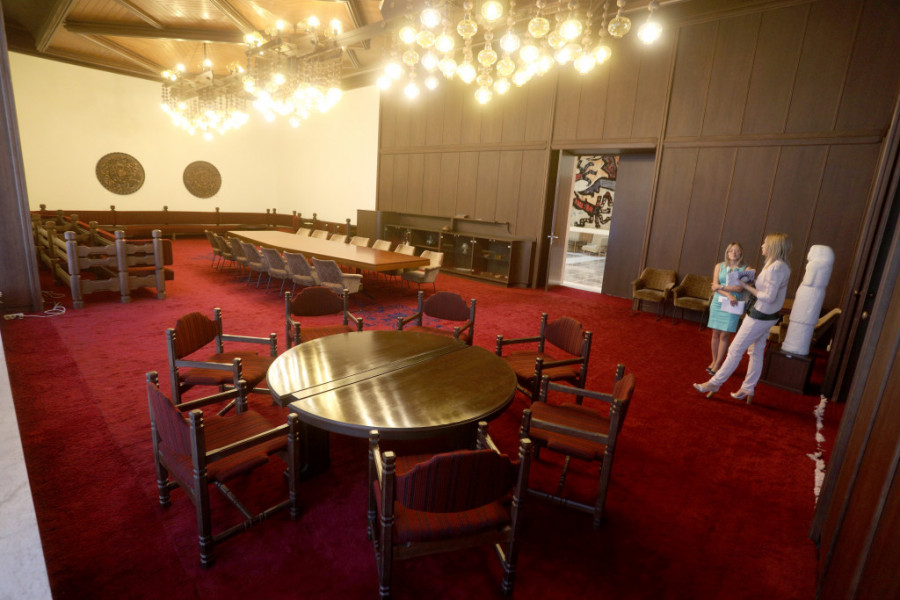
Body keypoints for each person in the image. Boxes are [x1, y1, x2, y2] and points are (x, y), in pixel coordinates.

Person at [693, 233, 792, 403]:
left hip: (760, 315)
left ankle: (714, 383)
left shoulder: (775, 267)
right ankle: (748, 388)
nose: (762, 246)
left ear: (773, 247)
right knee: (756, 352)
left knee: (735, 350)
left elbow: (768, 297)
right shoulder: (780, 265)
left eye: (765, 243)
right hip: (768, 315)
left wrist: (745, 286)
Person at [705, 242, 748, 375]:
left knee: (725, 334)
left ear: (741, 253)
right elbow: (714, 286)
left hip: (733, 304)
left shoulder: (745, 269)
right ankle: (714, 360)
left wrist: (721, 287)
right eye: (731, 250)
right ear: (727, 253)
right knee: (715, 333)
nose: (733, 253)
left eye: (737, 250)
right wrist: (728, 293)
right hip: (718, 302)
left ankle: (718, 363)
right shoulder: (719, 266)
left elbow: (739, 288)